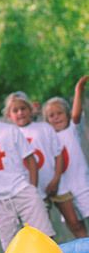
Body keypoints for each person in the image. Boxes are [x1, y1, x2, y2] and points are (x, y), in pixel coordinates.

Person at [0, 86, 55, 251]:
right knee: (12, 248)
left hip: (22, 191)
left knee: (44, 237)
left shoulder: (10, 131)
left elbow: (31, 161)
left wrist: (33, 189)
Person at [4, 91, 87, 238]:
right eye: (15, 110)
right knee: (43, 232)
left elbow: (58, 155)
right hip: (34, 191)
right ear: (9, 115)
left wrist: (56, 179)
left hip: (57, 184)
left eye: (23, 108)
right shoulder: (10, 135)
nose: (20, 113)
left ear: (30, 110)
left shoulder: (44, 128)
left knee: (75, 222)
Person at [43, 75, 89, 230]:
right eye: (51, 115)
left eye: (59, 113)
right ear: (46, 120)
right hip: (63, 187)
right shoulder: (47, 137)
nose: (56, 117)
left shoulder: (72, 129)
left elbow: (76, 114)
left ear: (67, 114)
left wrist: (79, 89)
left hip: (82, 184)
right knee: (76, 225)